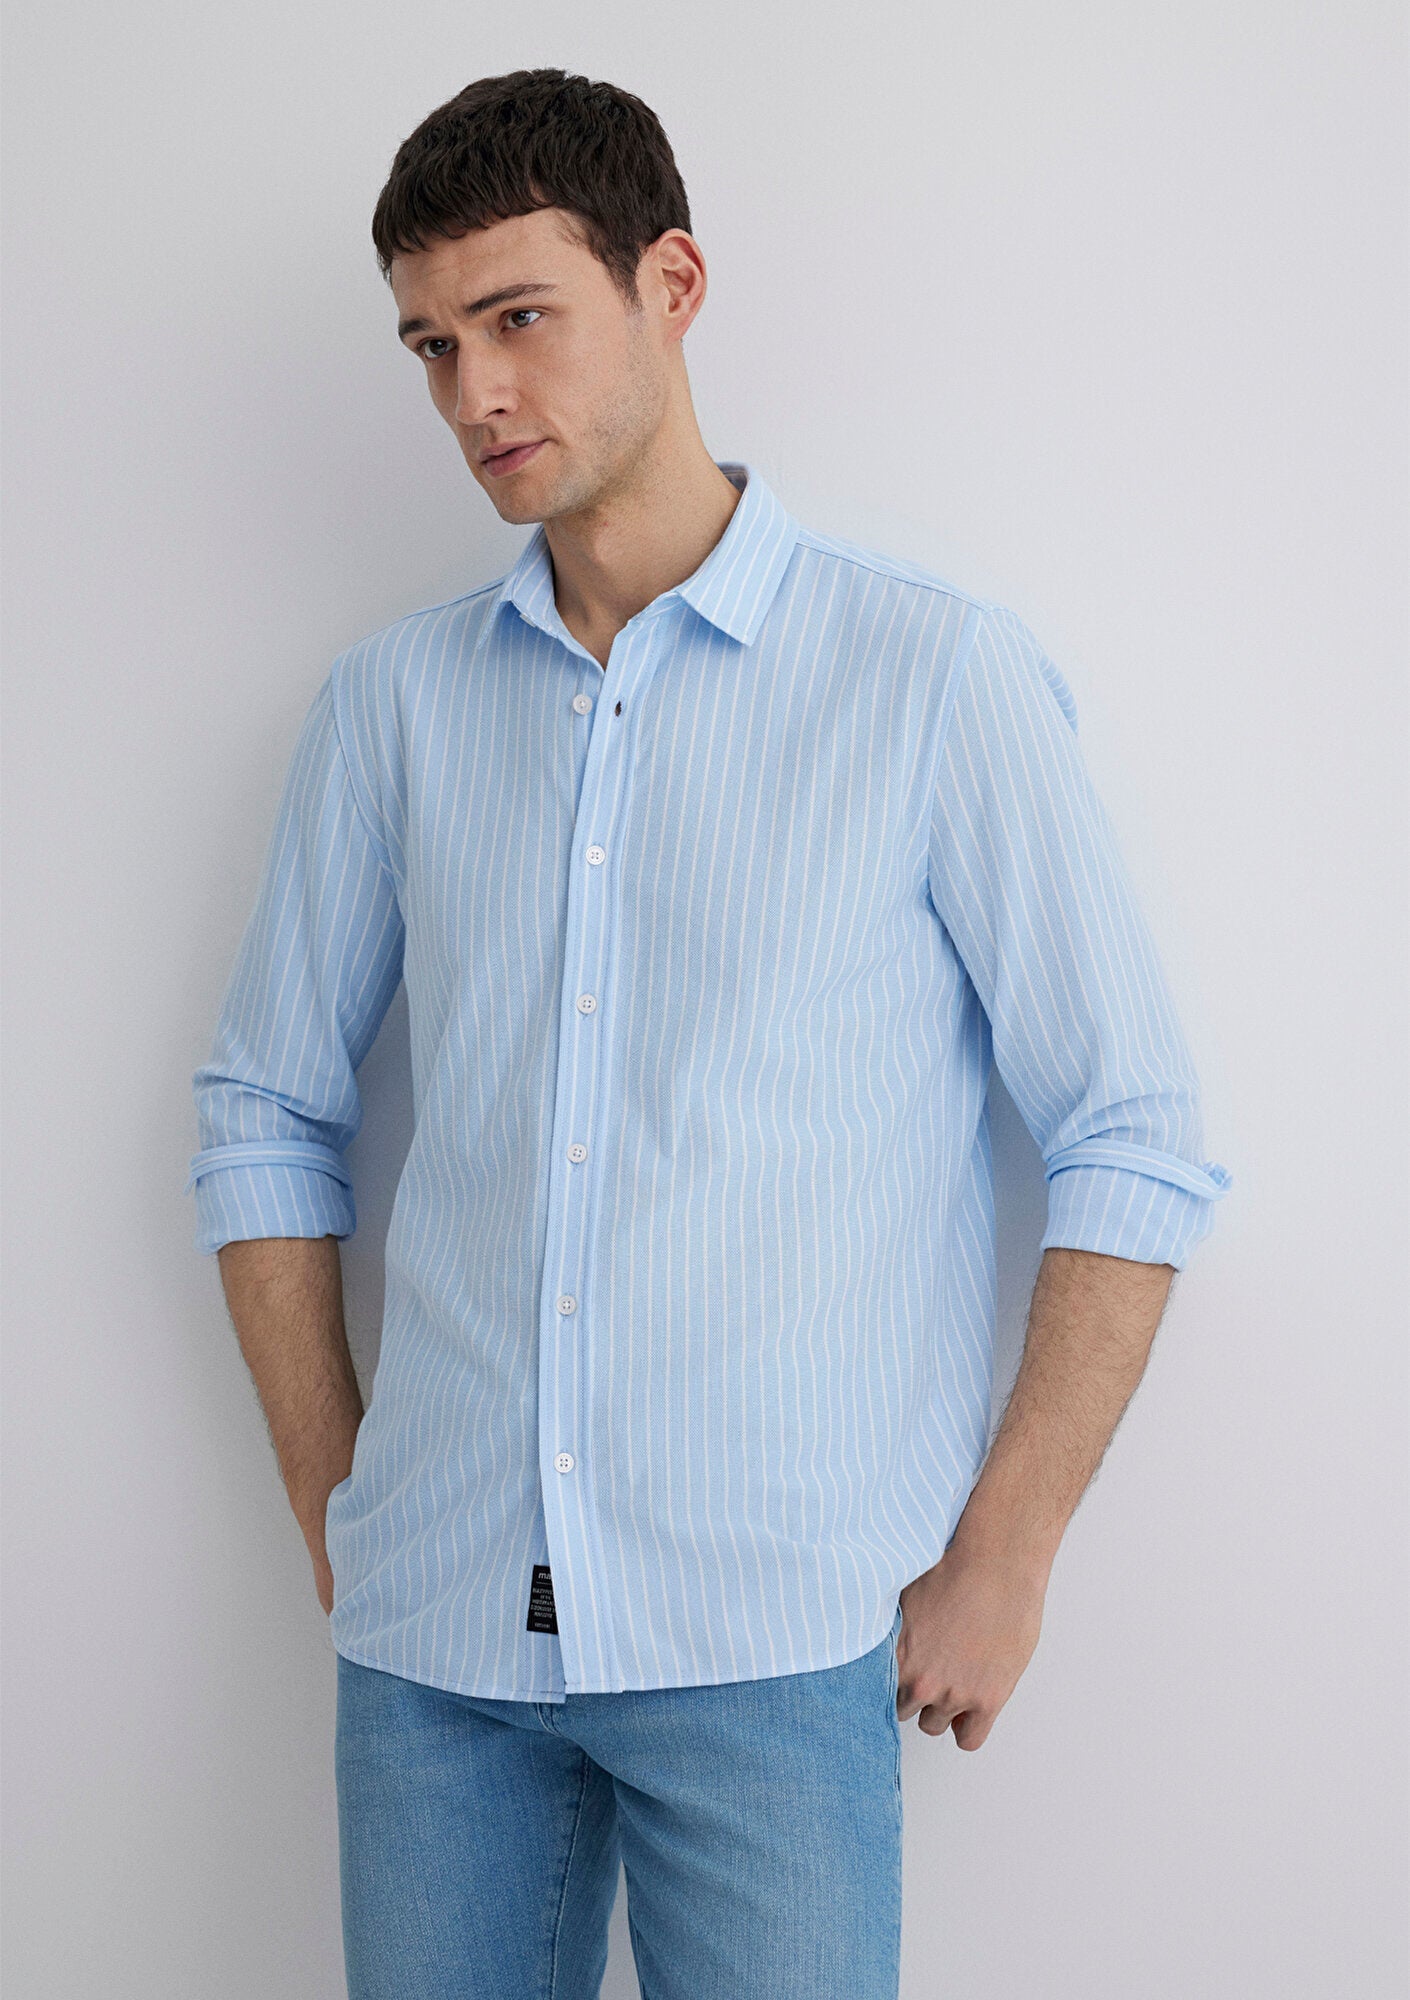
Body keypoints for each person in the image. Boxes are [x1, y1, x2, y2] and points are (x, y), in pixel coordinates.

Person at [185, 65, 1232, 2000]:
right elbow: (262, 1113)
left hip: (771, 1648)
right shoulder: (390, 708)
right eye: (431, 346)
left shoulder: (927, 675)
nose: (475, 395)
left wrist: (1007, 1552)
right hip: (435, 1655)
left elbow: (1133, 1135)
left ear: (668, 283)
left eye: (518, 318)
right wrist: (342, 1503)